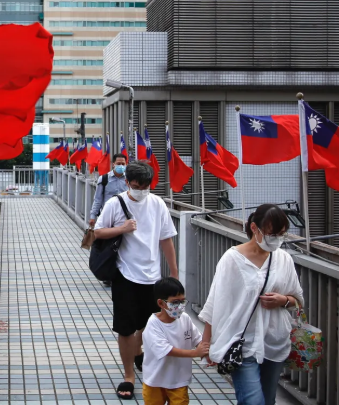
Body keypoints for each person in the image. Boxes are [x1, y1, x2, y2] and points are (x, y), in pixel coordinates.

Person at [199, 204, 304, 405]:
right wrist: (208, 344)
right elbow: (216, 302)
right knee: (252, 401)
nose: (277, 240)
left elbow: (297, 299)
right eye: (272, 234)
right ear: (254, 228)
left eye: (282, 234)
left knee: (268, 399)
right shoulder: (232, 259)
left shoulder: (284, 259)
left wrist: (283, 301)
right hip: (241, 343)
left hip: (274, 341)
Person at [94, 161, 178, 400]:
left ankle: (139, 352)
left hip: (152, 275)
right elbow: (97, 232)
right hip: (125, 273)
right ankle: (129, 374)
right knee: (125, 327)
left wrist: (174, 272)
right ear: (128, 183)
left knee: (148, 324)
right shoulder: (115, 203)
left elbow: (166, 239)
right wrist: (122, 228)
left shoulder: (157, 203)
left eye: (145, 186)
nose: (141, 190)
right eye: (136, 185)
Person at [142, 277, 209, 405]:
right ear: (161, 303)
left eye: (182, 301)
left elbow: (197, 339)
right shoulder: (153, 325)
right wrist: (195, 353)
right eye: (175, 302)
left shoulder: (185, 319)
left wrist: (206, 353)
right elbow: (167, 350)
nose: (180, 306)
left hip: (179, 379)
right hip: (155, 380)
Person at [88, 153, 128, 286]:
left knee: (122, 247)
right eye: (119, 164)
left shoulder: (129, 179)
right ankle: (107, 274)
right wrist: (93, 216)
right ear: (113, 164)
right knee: (108, 248)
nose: (121, 166)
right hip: (107, 220)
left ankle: (121, 274)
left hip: (124, 220)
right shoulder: (104, 179)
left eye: (123, 164)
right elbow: (98, 199)